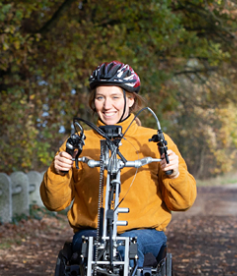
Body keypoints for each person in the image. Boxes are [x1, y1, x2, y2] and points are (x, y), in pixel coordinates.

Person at [41, 61, 197, 269]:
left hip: (144, 233)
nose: (107, 106)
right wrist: (58, 172)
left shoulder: (153, 141)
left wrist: (174, 174)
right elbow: (54, 203)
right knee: (97, 248)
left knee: (123, 249)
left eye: (115, 97)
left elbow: (183, 202)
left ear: (131, 99)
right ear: (93, 101)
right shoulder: (79, 142)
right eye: (100, 97)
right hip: (91, 233)